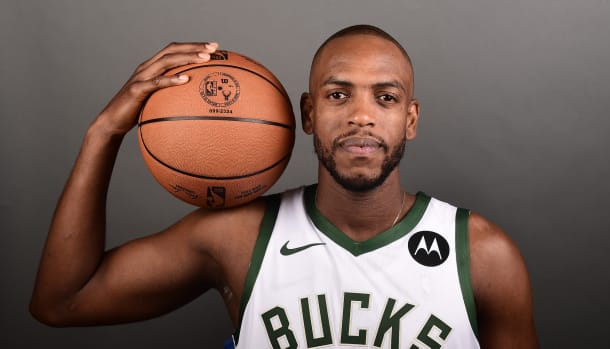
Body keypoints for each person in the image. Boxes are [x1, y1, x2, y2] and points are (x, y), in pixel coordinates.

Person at [30, 25, 538, 348]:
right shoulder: (240, 238)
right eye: (338, 94)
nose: (361, 115)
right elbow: (63, 301)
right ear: (309, 114)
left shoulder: (483, 255)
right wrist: (104, 134)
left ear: (410, 119)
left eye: (385, 98)